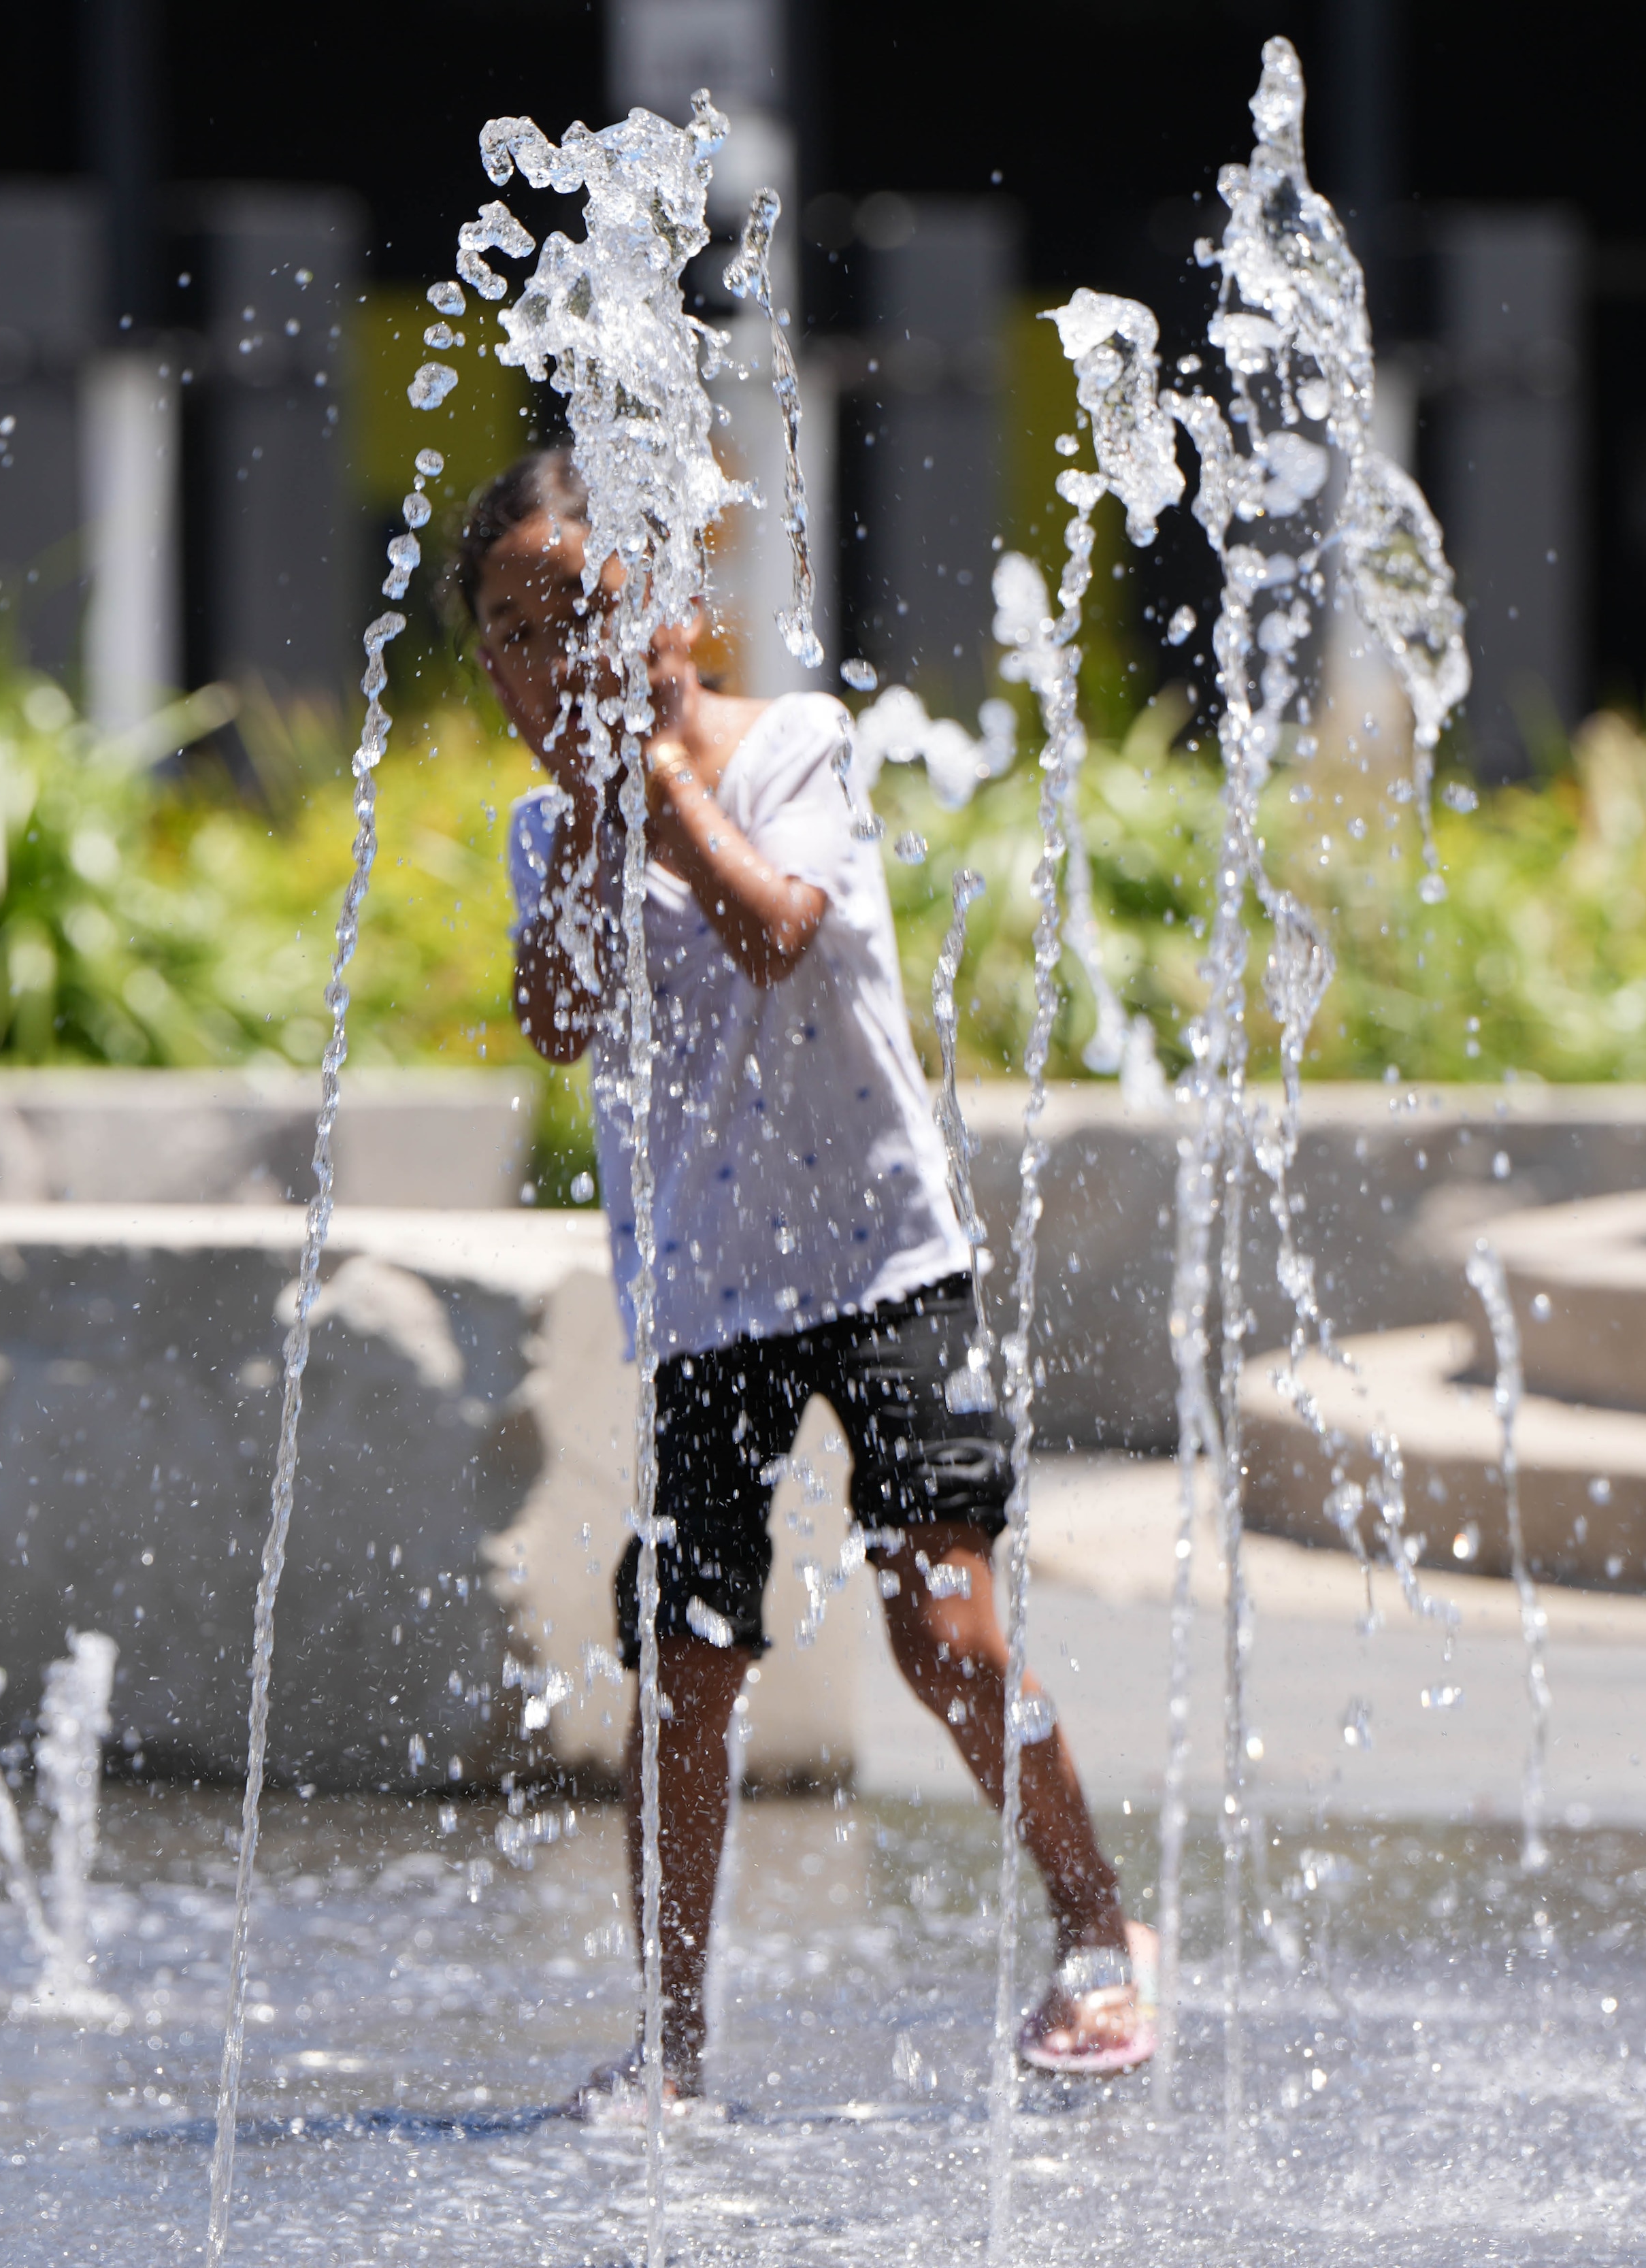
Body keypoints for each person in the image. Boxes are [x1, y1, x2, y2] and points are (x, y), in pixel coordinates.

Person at [453, 446, 1157, 2114]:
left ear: (677, 607)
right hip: (706, 1297)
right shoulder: (541, 828)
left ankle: (1098, 1932)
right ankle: (671, 2048)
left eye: (586, 615)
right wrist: (591, 830)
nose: (555, 662)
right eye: (513, 632)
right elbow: (559, 1017)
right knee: (685, 1669)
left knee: (950, 1634)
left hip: (883, 1259)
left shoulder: (798, 748)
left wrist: (665, 793)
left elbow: (779, 929)